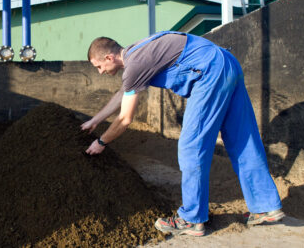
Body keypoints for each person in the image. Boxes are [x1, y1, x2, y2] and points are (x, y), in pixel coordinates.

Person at [81, 31, 284, 237]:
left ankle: (191, 219)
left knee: (191, 147)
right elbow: (124, 92)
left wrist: (101, 141)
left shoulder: (134, 64)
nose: (99, 72)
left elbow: (125, 119)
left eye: (98, 66)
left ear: (109, 58)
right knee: (243, 140)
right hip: (227, 63)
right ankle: (265, 206)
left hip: (209, 72)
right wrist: (95, 120)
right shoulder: (137, 52)